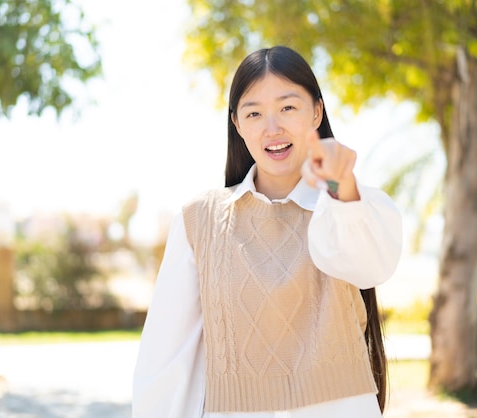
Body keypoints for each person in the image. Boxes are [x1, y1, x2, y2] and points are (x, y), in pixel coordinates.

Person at [132, 45, 403, 418]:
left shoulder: (345, 205)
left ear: (317, 112)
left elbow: (368, 265)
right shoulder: (198, 221)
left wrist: (341, 187)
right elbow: (166, 362)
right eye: (254, 113)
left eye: (288, 107)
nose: (272, 128)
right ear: (237, 124)